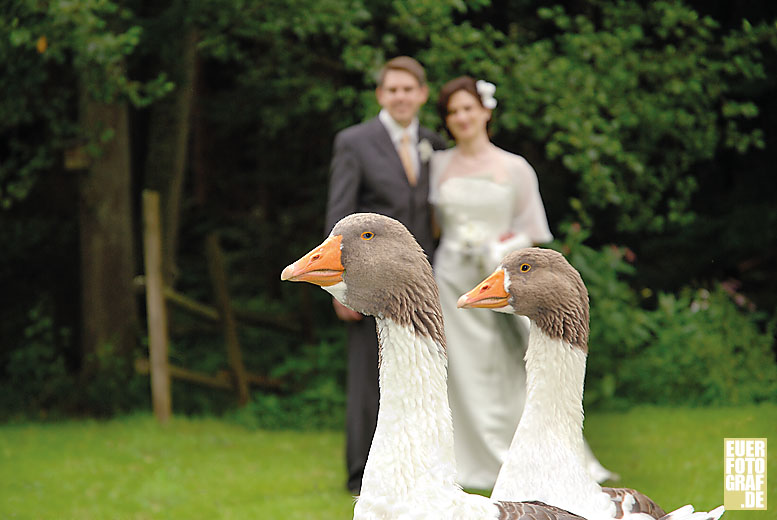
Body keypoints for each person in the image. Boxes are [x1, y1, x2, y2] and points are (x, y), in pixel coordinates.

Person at [430, 76, 618, 490]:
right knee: (462, 368)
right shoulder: (438, 166)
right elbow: (432, 225)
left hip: (506, 279)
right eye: (453, 111)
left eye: (468, 108)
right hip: (452, 278)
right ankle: (468, 460)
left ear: (485, 110)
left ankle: (521, 453)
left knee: (512, 364)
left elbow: (534, 236)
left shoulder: (514, 167)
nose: (461, 117)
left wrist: (504, 249)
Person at [324, 56, 446, 495]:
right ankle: (361, 473)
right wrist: (340, 286)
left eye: (408, 89)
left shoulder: (434, 145)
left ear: (422, 94)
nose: (400, 96)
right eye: (392, 89)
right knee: (366, 374)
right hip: (368, 279)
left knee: (416, 370)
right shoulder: (355, 142)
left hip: (421, 284)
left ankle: (414, 463)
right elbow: (340, 213)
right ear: (380, 95)